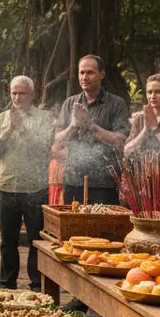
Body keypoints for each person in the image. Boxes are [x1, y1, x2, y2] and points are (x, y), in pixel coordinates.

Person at [0, 77, 56, 292]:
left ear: (32, 95)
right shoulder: (2, 118)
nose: (17, 98)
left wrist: (22, 128)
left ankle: (37, 284)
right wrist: (8, 130)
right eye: (14, 93)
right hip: (7, 186)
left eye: (22, 93)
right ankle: (7, 282)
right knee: (8, 241)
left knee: (37, 240)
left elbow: (45, 147)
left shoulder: (45, 118)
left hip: (36, 188)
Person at [55, 55, 130, 206]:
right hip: (73, 180)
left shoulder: (116, 104)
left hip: (104, 182)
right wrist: (73, 125)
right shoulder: (70, 103)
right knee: (73, 221)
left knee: (102, 221)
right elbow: (58, 141)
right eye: (81, 72)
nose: (84, 77)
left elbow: (121, 141)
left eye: (90, 72)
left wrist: (91, 126)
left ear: (101, 74)